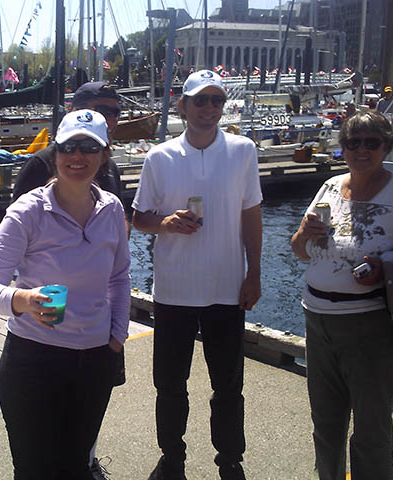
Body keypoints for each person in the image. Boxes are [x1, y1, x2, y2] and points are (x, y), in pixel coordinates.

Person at [0, 110, 130, 480]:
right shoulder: (27, 211)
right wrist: (24, 301)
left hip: (95, 360)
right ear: (54, 153)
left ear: (104, 155)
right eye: (69, 147)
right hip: (34, 360)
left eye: (89, 147)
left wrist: (117, 335)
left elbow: (120, 276)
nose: (78, 156)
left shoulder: (111, 208)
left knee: (76, 466)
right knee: (34, 470)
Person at [131, 69, 263, 480]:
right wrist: (166, 223)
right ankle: (172, 457)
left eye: (216, 100)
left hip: (227, 288)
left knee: (229, 385)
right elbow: (139, 218)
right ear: (183, 105)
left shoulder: (243, 150)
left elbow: (251, 214)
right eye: (200, 100)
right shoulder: (159, 156)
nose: (208, 108)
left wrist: (254, 272)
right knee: (170, 384)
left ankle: (230, 458)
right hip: (174, 291)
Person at [290, 110, 393, 480]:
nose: (361, 150)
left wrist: (387, 267)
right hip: (317, 320)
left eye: (371, 142)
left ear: (386, 146)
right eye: (353, 143)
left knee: (371, 428)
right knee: (326, 423)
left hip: (371, 324)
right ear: (343, 147)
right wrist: (303, 234)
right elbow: (300, 250)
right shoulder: (329, 188)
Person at [12, 82, 123, 203]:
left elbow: (118, 213)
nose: (111, 121)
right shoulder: (40, 164)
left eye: (115, 114)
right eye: (104, 112)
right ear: (76, 111)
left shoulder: (111, 168)